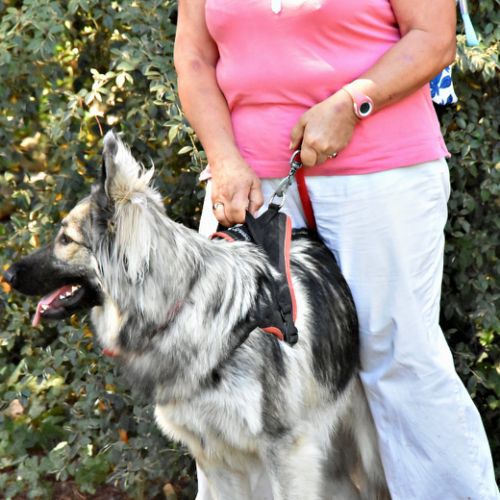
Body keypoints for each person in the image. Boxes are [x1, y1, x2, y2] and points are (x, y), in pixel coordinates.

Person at [174, 1, 499, 498]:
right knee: (244, 369)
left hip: (382, 172)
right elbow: (194, 58)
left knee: (399, 357)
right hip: (248, 186)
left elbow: (433, 39)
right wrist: (223, 159)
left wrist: (352, 103)